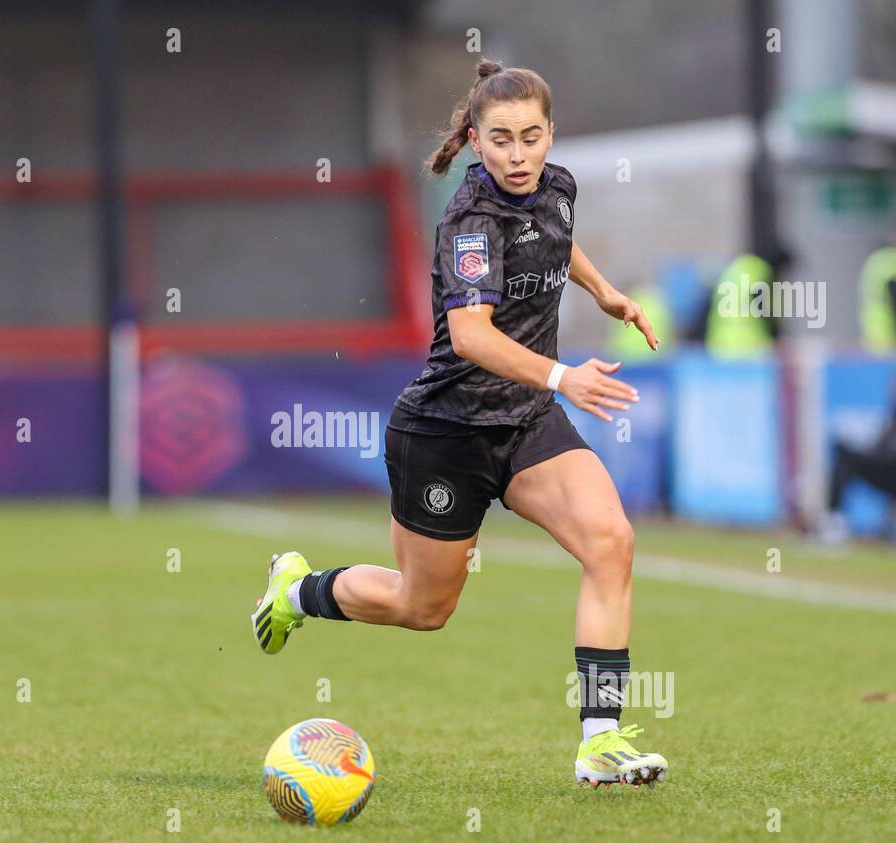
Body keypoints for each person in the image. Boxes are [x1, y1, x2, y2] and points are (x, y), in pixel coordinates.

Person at [249, 60, 667, 789]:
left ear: (549, 135)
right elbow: (471, 337)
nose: (517, 154)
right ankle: (296, 592)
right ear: (475, 141)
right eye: (500, 140)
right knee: (422, 607)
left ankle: (600, 744)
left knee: (611, 542)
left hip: (527, 421)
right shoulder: (469, 222)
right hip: (446, 432)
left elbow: (556, 237)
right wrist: (566, 376)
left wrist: (604, 292)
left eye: (530, 137)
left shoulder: (558, 185)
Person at [816, 372, 896, 543]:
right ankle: (832, 520)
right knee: (846, 459)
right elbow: (884, 448)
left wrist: (873, 458)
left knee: (849, 460)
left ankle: (833, 523)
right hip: (894, 472)